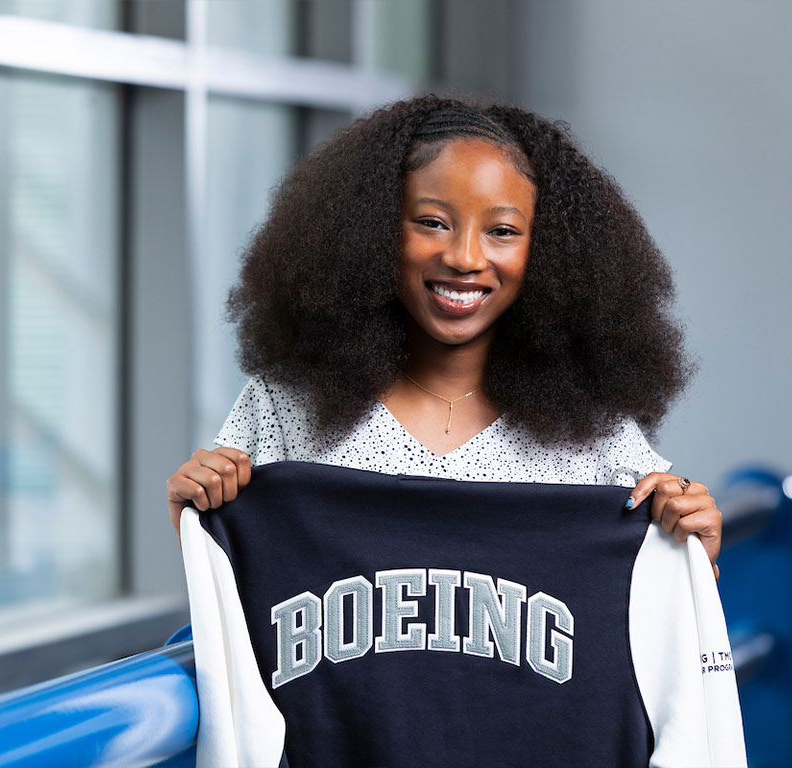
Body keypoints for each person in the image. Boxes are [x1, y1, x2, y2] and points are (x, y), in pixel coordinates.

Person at [166, 93, 723, 577]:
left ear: (551, 254)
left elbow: (654, 612)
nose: (463, 257)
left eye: (502, 231)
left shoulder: (594, 436)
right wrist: (193, 511)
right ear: (373, 229)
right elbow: (239, 589)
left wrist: (694, 548)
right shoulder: (283, 409)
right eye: (432, 222)